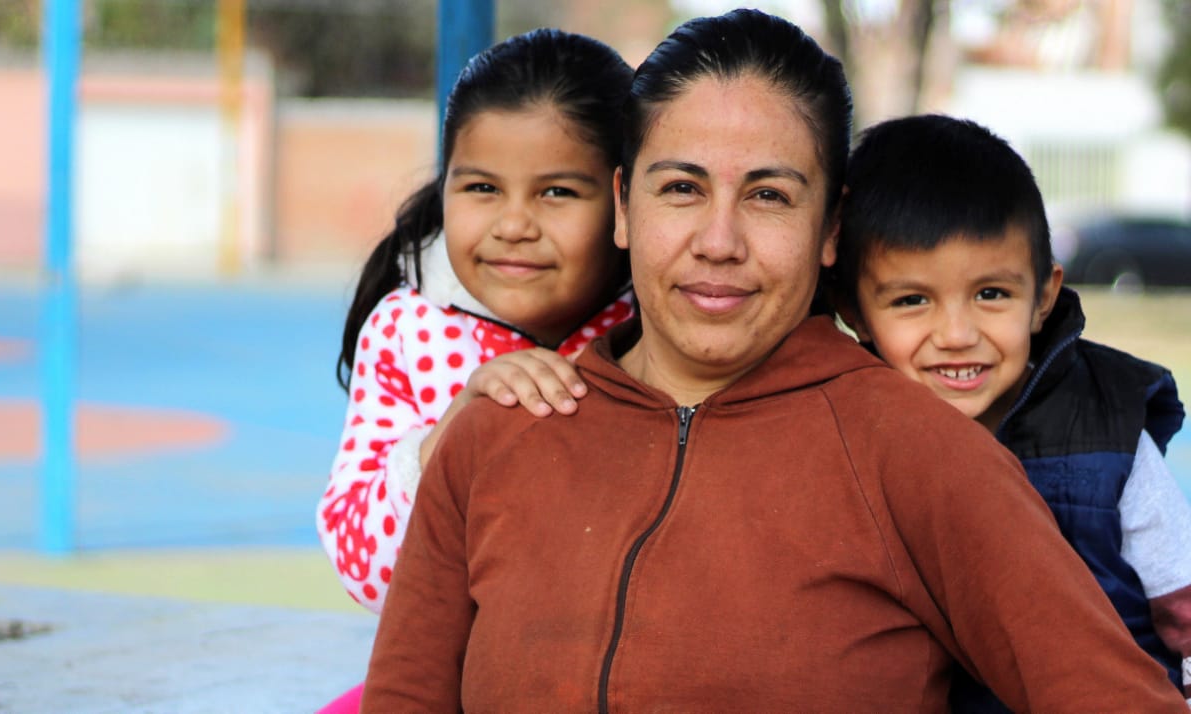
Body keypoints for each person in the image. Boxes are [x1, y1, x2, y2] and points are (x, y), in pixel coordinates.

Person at [360, 9, 1188, 712]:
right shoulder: (496, 436)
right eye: (681, 189)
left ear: (831, 230)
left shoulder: (921, 454)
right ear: (622, 207)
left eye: (768, 196)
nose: (718, 243)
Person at [829, 113, 1191, 710]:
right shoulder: (847, 436)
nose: (956, 334)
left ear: (1043, 296)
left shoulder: (1110, 424)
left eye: (990, 294)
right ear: (855, 312)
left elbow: (1181, 602)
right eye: (912, 300)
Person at [315, 27, 633, 613]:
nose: (514, 225)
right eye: (483, 187)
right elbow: (368, 576)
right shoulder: (406, 333)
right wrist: (456, 433)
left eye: (557, 192)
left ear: (624, 201)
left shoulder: (654, 327)